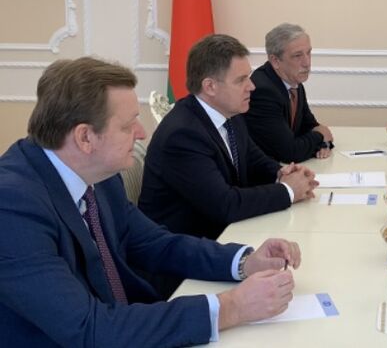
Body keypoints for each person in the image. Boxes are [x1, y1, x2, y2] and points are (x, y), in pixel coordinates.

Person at [0, 57, 302, 347]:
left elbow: (155, 244)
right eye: (128, 125)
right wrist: (231, 308)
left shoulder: (98, 173)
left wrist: (244, 262)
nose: (142, 133)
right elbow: (89, 329)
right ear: (85, 138)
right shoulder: (13, 207)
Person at [139, 34, 318, 243]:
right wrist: (288, 191)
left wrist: (282, 173)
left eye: (248, 77)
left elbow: (253, 160)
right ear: (210, 87)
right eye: (241, 80)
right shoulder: (182, 135)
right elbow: (226, 205)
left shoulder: (230, 114)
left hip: (223, 235)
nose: (252, 86)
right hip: (185, 249)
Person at [243, 23, 334, 162]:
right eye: (297, 55)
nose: (307, 62)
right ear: (275, 61)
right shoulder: (263, 91)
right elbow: (290, 153)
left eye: (308, 52)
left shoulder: (293, 81)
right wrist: (321, 136)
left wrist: (323, 144)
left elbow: (309, 126)